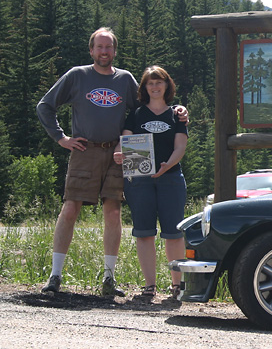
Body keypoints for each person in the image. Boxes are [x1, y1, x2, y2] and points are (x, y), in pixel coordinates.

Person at [36, 28, 187, 296]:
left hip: (120, 152)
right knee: (70, 208)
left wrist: (177, 111)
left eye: (109, 47)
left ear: (115, 51)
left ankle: (109, 278)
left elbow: (149, 104)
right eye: (99, 47)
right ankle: (55, 275)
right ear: (91, 50)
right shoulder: (77, 75)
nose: (104, 52)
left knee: (113, 212)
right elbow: (45, 105)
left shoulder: (125, 79)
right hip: (85, 149)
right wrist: (61, 138)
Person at [113, 66, 188, 299]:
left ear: (167, 85)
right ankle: (149, 286)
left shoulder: (177, 114)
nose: (155, 87)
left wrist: (168, 164)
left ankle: (177, 286)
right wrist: (118, 153)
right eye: (150, 83)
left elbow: (180, 146)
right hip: (139, 180)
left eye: (159, 82)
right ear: (144, 87)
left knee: (174, 233)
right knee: (144, 232)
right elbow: (124, 142)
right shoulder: (136, 114)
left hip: (171, 178)